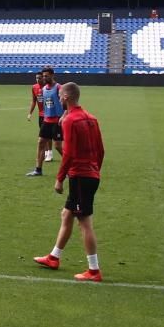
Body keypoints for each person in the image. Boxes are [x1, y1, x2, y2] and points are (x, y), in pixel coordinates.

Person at [33, 82, 105, 282]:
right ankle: (54, 257)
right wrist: (95, 170)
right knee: (66, 214)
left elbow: (69, 153)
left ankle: (94, 270)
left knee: (84, 222)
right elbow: (101, 151)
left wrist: (59, 178)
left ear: (65, 97)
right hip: (89, 174)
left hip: (80, 176)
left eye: (60, 95)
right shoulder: (91, 118)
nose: (58, 98)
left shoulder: (70, 120)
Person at [27, 67, 64, 176]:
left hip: (57, 121)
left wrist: (64, 116)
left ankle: (71, 166)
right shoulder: (43, 90)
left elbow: (66, 103)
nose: (44, 78)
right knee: (41, 143)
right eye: (43, 76)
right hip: (47, 120)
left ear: (52, 75)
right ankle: (38, 169)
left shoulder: (59, 88)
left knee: (57, 146)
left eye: (46, 76)